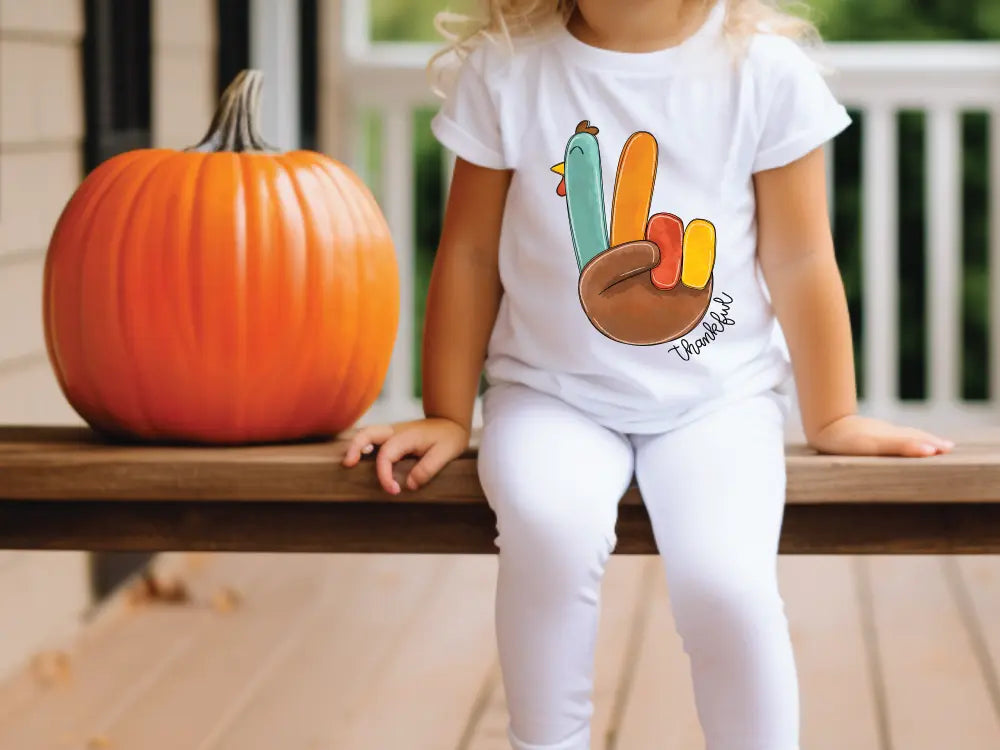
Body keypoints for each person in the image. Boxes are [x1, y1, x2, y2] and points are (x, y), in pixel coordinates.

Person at [343, 1, 954, 747]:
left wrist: (834, 417)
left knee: (725, 581)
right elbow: (468, 255)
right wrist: (445, 413)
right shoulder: (508, 70)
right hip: (549, 397)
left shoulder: (764, 73)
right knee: (548, 525)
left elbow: (800, 259)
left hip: (717, 403)